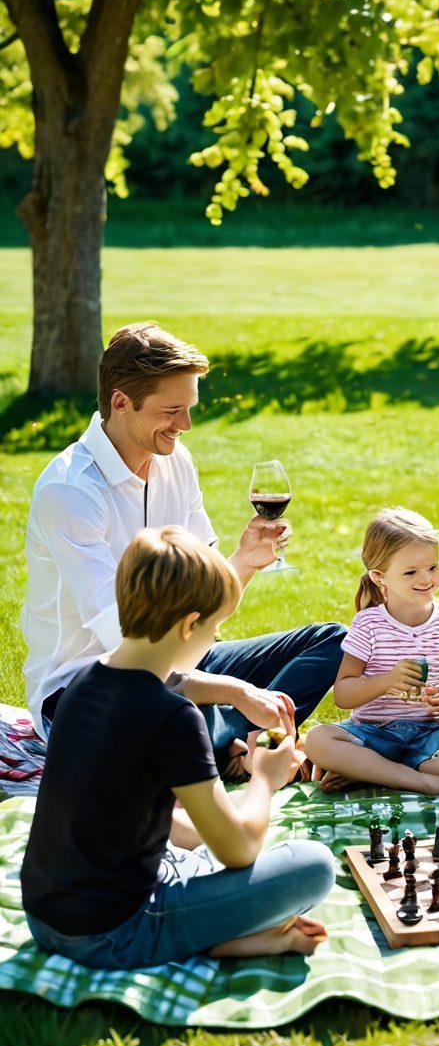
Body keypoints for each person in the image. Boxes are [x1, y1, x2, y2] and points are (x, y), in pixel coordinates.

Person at [22, 322, 345, 778]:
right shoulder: (69, 493)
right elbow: (129, 653)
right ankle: (223, 745)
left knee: (331, 641)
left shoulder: (177, 462)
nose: (186, 425)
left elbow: (203, 604)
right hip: (90, 691)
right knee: (174, 711)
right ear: (120, 402)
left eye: (189, 408)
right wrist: (234, 692)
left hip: (180, 663)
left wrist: (243, 563)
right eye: (173, 410)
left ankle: (232, 746)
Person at [21, 527, 335, 969]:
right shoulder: (172, 718)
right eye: (214, 630)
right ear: (190, 625)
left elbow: (174, 682)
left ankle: (223, 931)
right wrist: (266, 777)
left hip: (46, 915)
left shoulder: (84, 683)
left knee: (197, 831)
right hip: (115, 931)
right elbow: (239, 850)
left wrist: (236, 692)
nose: (214, 640)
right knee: (313, 865)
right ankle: (216, 939)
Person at [304, 509, 439, 798]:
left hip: (430, 735)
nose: (426, 579)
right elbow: (343, 695)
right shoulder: (368, 624)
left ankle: (373, 772)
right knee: (317, 740)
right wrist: (387, 681)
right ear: (380, 577)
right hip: (372, 733)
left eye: (433, 567)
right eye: (411, 572)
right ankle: (423, 781)